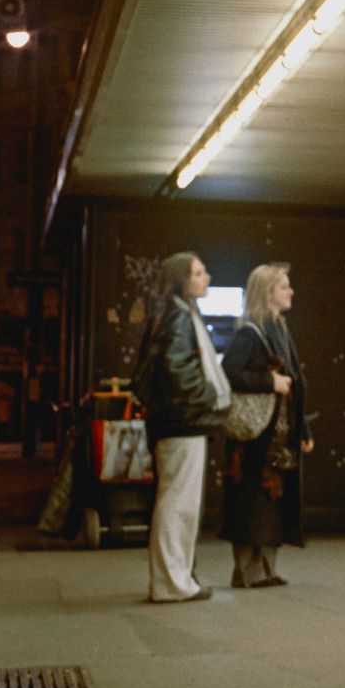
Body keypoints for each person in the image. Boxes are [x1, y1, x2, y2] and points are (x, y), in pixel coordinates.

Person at [133, 252, 231, 602]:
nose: (206, 278)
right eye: (199, 273)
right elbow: (180, 373)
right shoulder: (179, 317)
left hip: (174, 423)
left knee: (175, 502)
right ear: (182, 280)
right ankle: (172, 583)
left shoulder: (173, 313)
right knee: (178, 505)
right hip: (182, 423)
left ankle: (174, 579)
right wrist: (211, 394)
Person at [220, 262, 312, 588]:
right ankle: (249, 572)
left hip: (277, 435)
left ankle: (266, 569)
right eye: (284, 285)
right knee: (253, 503)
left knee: (271, 502)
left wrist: (303, 431)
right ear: (268, 291)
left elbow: (295, 383)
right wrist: (267, 382)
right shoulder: (250, 331)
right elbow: (228, 372)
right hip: (256, 436)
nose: (291, 291)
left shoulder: (280, 329)